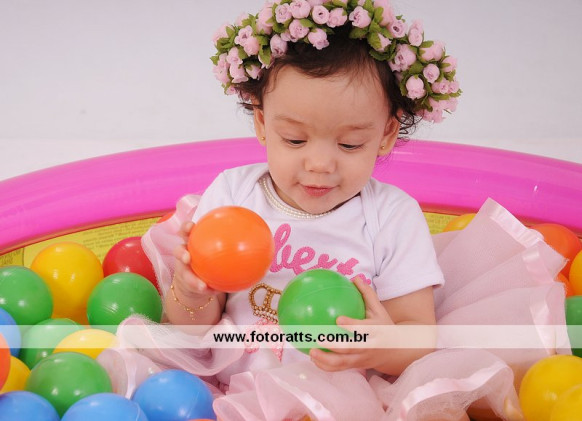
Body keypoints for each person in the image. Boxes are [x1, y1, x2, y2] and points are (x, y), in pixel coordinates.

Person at [102, 1, 567, 420]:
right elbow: (191, 330)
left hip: (345, 395)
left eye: (349, 144)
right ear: (262, 123)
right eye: (295, 140)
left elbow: (417, 336)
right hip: (227, 383)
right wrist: (191, 292)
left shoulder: (391, 216)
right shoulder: (233, 194)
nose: (320, 164)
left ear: (385, 135)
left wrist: (379, 347)